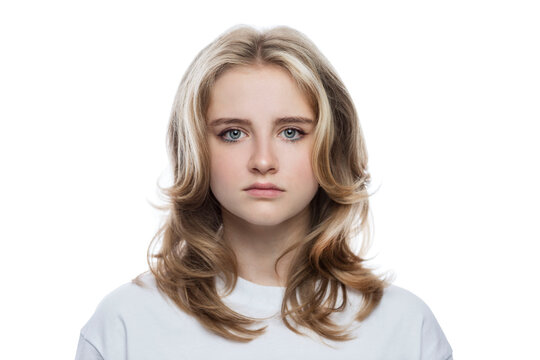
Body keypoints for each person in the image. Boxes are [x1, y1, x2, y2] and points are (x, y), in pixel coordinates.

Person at [75, 24, 453, 360]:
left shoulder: (404, 327)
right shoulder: (126, 323)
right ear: (196, 149)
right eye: (233, 133)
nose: (262, 160)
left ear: (331, 145)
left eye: (291, 132)